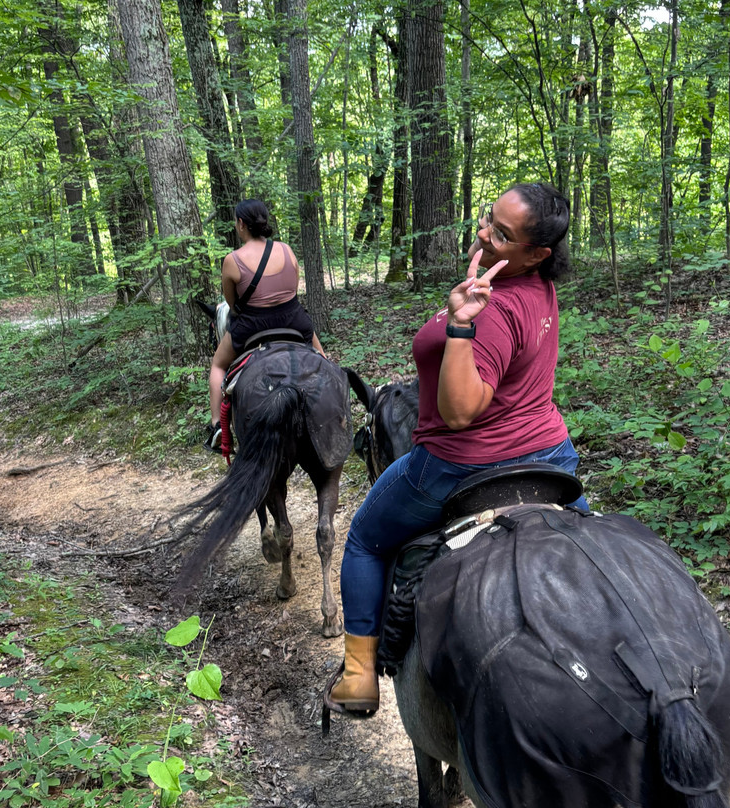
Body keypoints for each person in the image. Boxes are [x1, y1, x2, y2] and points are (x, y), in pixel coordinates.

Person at [326, 181, 590, 715]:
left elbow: (460, 411)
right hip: (549, 455)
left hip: (459, 462)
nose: (484, 233)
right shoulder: (536, 285)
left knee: (365, 541)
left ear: (538, 253)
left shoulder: (492, 311)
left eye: (502, 234)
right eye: (488, 219)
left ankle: (358, 677)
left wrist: (462, 325)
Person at [205, 199, 325, 450]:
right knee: (323, 360)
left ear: (241, 224)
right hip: (293, 319)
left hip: (253, 324)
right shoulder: (286, 250)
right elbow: (293, 289)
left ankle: (217, 427)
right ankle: (334, 398)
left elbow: (232, 303)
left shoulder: (232, 260)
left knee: (218, 364)